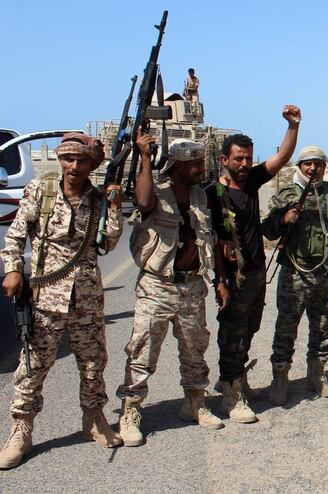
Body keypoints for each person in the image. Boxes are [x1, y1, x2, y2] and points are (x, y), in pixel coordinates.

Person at [0, 133, 123, 468]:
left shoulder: (97, 200)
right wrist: (12, 270)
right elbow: (14, 236)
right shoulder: (42, 191)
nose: (74, 166)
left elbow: (109, 244)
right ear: (60, 160)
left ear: (92, 165)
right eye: (69, 159)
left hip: (86, 299)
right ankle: (20, 431)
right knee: (32, 369)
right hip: (44, 299)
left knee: (93, 363)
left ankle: (95, 419)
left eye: (82, 161)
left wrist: (114, 207)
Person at [116, 135, 225, 446]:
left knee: (195, 349)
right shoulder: (157, 190)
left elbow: (208, 236)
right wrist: (146, 158)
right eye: (196, 164)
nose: (202, 169)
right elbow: (143, 203)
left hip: (191, 284)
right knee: (142, 352)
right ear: (179, 165)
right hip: (157, 286)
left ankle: (194, 403)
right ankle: (131, 410)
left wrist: (218, 279)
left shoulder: (199, 196)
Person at [206, 105, 301, 423]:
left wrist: (293, 126)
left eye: (248, 158)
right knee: (230, 333)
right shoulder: (213, 192)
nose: (245, 164)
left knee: (248, 329)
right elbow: (210, 240)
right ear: (224, 160)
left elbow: (282, 158)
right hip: (232, 277)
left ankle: (233, 379)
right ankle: (231, 397)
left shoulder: (250, 182)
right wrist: (219, 280)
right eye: (238, 159)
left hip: (256, 273)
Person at [262, 145, 328, 405]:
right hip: (296, 272)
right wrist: (284, 219)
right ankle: (280, 379)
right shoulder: (287, 193)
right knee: (287, 326)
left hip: (326, 272)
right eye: (307, 164)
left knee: (322, 326)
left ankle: (317, 375)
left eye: (317, 164)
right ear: (299, 167)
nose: (312, 168)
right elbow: (268, 230)